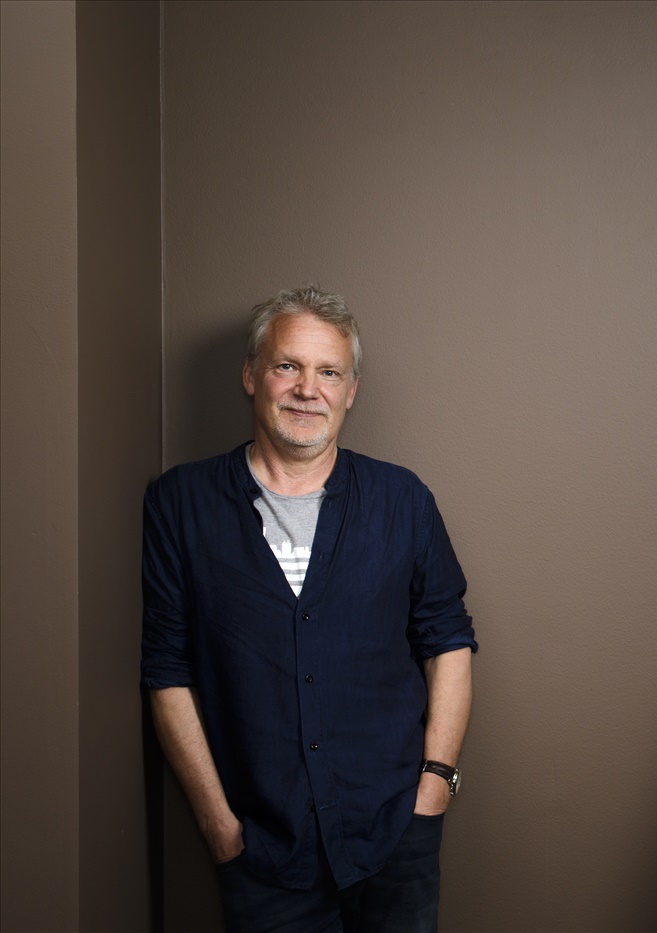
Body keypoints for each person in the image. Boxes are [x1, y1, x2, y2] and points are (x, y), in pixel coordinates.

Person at [141, 285, 476, 933]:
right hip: (261, 849)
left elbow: (448, 642)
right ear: (251, 375)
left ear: (351, 391)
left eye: (329, 372)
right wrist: (216, 821)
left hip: (394, 834)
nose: (306, 389)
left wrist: (435, 784)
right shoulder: (181, 503)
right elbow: (166, 669)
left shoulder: (403, 500)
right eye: (287, 365)